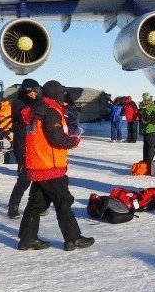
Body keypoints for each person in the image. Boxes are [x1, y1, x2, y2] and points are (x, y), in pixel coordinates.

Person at [18, 80, 94, 251]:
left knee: (36, 204)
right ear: (56, 94)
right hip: (49, 166)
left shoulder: (38, 109)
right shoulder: (51, 111)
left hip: (37, 163)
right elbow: (56, 138)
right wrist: (73, 140)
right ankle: (73, 238)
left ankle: (27, 238)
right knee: (63, 201)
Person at [7, 78, 41, 219]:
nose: (35, 94)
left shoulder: (34, 102)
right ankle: (13, 206)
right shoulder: (19, 103)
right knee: (25, 178)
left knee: (40, 179)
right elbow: (27, 115)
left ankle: (36, 206)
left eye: (37, 91)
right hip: (22, 145)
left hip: (35, 145)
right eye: (33, 91)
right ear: (27, 91)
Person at [139, 93, 155, 162]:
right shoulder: (151, 107)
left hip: (145, 128)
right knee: (151, 146)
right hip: (152, 128)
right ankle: (149, 161)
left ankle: (145, 160)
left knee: (146, 146)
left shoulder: (142, 106)